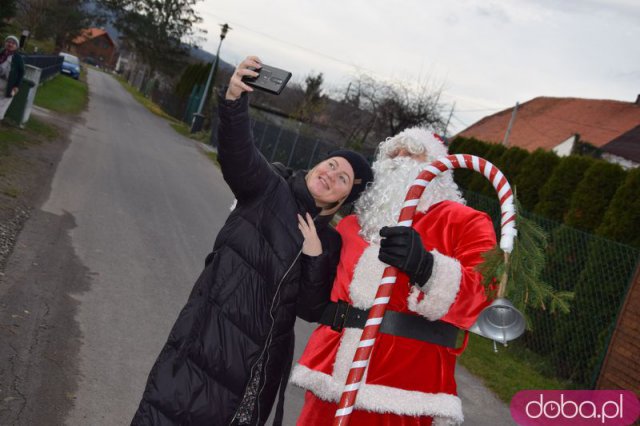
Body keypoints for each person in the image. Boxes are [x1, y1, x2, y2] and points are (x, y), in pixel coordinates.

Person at [131, 56, 373, 426]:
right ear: (317, 165)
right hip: (206, 337)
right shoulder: (268, 187)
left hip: (256, 367)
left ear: (342, 200)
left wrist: (313, 256)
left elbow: (309, 309)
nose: (332, 175)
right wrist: (233, 101)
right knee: (168, 412)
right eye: (332, 165)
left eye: (342, 179)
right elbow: (238, 153)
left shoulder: (328, 242)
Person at [290, 128, 498, 425]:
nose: (399, 159)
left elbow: (484, 293)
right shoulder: (353, 225)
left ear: (437, 169)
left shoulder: (463, 221)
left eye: (412, 153)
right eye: (393, 153)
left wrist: (427, 268)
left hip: (404, 392)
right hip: (329, 381)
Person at [0, 35, 25, 122]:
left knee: (2, 107)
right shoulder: (1, 53)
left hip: (8, 84)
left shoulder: (18, 58)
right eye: (8, 42)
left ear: (16, 46)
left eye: (13, 43)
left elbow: (21, 72)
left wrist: (16, 86)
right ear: (5, 43)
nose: (10, 44)